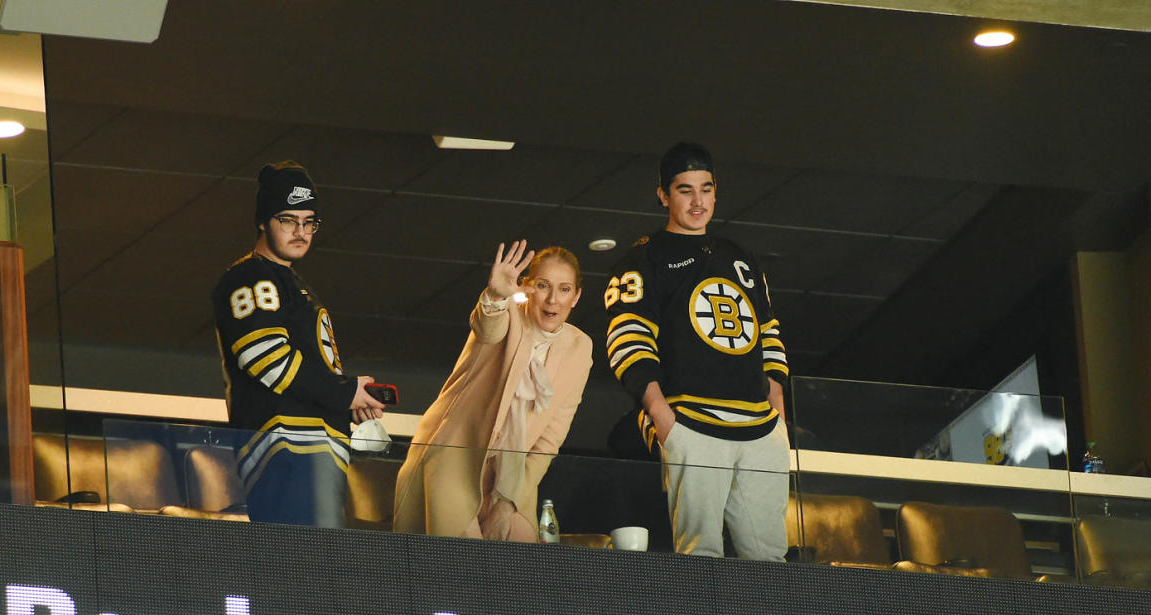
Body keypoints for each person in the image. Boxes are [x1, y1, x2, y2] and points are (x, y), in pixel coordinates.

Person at [603, 142, 789, 559]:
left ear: (716, 191)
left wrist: (776, 405)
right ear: (663, 195)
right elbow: (627, 338)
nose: (697, 200)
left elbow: (769, 331)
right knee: (699, 558)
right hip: (691, 422)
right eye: (685, 189)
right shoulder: (642, 259)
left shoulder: (739, 257)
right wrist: (663, 417)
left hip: (760, 427)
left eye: (705, 188)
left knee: (771, 561)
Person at [213, 161, 384, 526]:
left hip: (311, 454)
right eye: (289, 220)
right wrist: (343, 394)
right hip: (288, 450)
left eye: (310, 222)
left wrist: (348, 397)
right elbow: (267, 359)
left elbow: (300, 374)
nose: (301, 231)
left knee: (312, 573)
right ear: (263, 221)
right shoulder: (252, 275)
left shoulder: (293, 284)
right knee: (302, 572)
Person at [394, 240, 593, 541]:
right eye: (543, 285)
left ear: (576, 297)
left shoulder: (580, 348)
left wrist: (508, 502)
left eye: (564, 289)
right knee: (465, 572)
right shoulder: (508, 313)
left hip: (512, 478)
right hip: (456, 460)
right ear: (526, 287)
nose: (553, 299)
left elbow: (550, 440)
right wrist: (495, 296)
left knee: (518, 572)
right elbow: (487, 327)